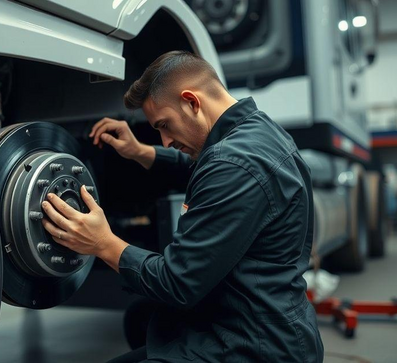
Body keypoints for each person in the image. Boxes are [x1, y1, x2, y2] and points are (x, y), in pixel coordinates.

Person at [40, 51, 324, 362]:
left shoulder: (234, 164)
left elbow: (177, 283)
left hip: (251, 346)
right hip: (262, 322)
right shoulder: (255, 133)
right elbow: (206, 168)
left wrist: (103, 243)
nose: (164, 141)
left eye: (164, 125)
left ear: (191, 101)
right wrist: (140, 151)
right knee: (141, 317)